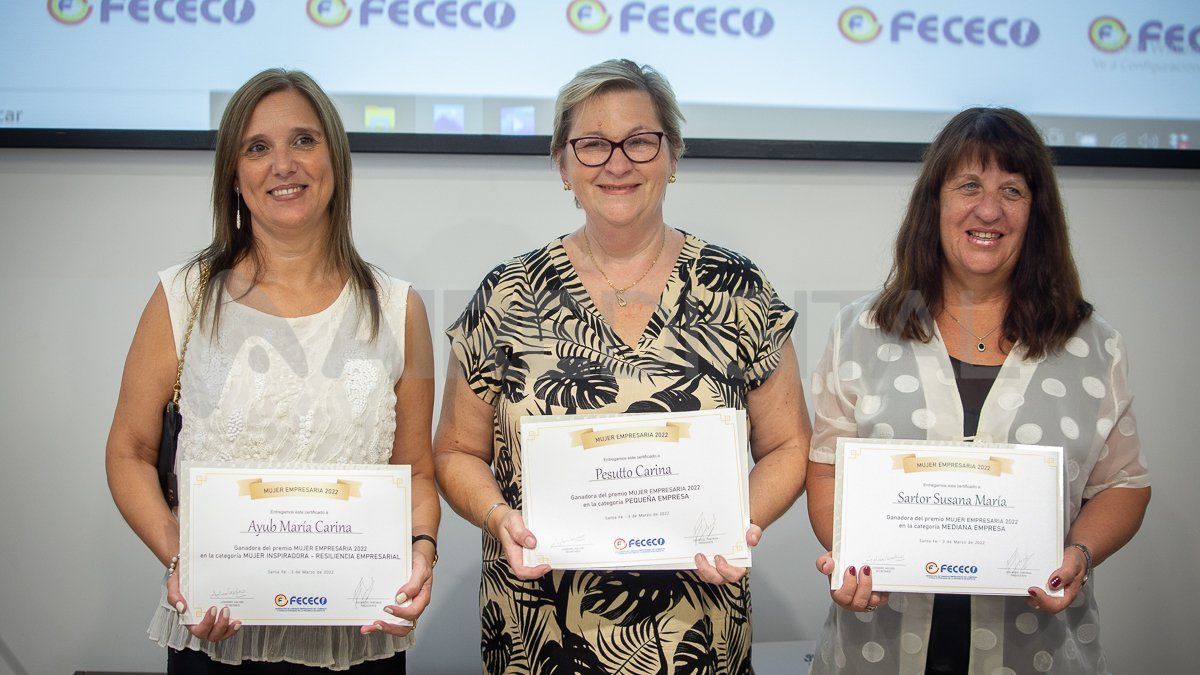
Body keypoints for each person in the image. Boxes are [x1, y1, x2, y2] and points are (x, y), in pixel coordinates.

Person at [433, 59, 810, 673]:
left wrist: (738, 524)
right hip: (540, 629)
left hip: (698, 627)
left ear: (673, 156)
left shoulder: (737, 288)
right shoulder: (508, 294)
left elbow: (790, 443)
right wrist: (500, 518)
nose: (617, 162)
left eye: (640, 141)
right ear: (562, 165)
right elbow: (453, 452)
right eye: (592, 145)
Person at [104, 68, 439, 672]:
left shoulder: (399, 308)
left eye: (303, 141)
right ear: (233, 174)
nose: (283, 164)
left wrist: (421, 553)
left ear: (334, 160)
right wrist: (182, 559)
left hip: (358, 636)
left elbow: (415, 471)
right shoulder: (182, 296)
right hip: (218, 634)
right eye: (257, 148)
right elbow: (128, 451)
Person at [806, 107, 1151, 674]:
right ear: (934, 203)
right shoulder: (859, 333)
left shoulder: (1095, 347)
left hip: (1034, 649)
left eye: (1011, 190)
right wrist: (854, 558)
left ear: (1035, 214)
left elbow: (1125, 485)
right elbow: (824, 468)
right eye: (969, 185)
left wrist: (1079, 555)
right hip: (879, 646)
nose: (988, 209)